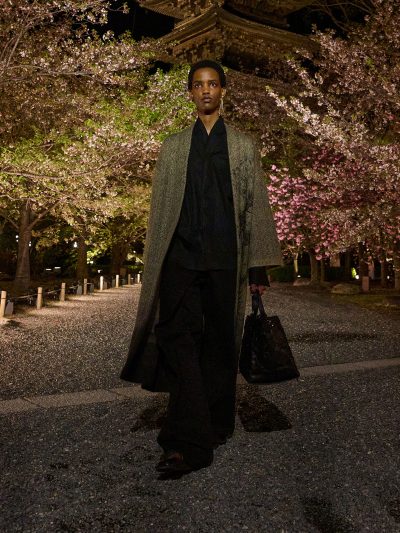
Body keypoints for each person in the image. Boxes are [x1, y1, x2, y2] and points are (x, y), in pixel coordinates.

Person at [120, 59, 282, 476]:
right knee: (176, 336)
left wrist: (258, 267)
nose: (206, 90)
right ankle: (186, 440)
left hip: (226, 256)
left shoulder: (242, 145)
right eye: (198, 84)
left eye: (212, 83)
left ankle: (215, 422)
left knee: (221, 341)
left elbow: (255, 206)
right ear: (190, 92)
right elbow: (161, 210)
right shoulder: (173, 146)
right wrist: (156, 258)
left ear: (223, 90)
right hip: (181, 256)